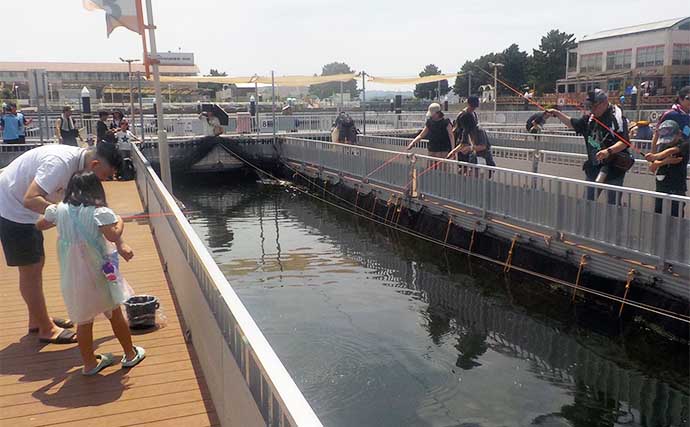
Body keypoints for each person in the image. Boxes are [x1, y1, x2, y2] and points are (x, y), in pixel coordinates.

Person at [0, 143, 122, 345]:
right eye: (105, 175)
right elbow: (30, 199)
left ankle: (37, 319)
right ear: (94, 164)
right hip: (11, 209)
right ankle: (46, 329)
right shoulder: (59, 164)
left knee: (37, 262)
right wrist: (67, 214)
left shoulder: (77, 166)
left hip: (26, 213)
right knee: (30, 269)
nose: (104, 181)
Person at [36, 171, 145, 375]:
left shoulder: (58, 210)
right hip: (97, 270)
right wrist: (119, 220)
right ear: (96, 189)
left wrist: (58, 218)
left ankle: (89, 364)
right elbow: (112, 235)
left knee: (83, 318)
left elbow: (40, 225)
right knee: (114, 312)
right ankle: (130, 354)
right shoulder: (98, 212)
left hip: (73, 273)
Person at [548, 89, 633, 203]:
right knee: (587, 202)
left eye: (594, 106)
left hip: (614, 168)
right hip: (594, 167)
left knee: (613, 205)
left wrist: (608, 151)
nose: (591, 110)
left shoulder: (616, 117)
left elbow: (624, 142)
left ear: (604, 103)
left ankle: (614, 219)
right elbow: (573, 124)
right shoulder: (590, 119)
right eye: (589, 107)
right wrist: (557, 113)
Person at [645, 120, 688, 217]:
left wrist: (657, 159)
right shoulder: (663, 145)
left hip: (677, 186)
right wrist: (655, 138)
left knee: (676, 216)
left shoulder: (684, 144)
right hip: (661, 185)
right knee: (658, 214)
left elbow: (673, 153)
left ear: (679, 134)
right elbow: (653, 164)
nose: (669, 142)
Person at [651, 86, 690, 154]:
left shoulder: (688, 116)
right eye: (688, 98)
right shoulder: (670, 114)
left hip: (683, 154)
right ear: (680, 99)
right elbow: (656, 134)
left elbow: (686, 134)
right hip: (666, 154)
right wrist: (653, 156)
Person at [451, 96, 480, 163]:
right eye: (472, 106)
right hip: (462, 142)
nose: (473, 108)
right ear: (468, 104)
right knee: (463, 165)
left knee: (472, 164)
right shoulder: (462, 115)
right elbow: (456, 129)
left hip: (472, 142)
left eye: (475, 107)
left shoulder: (474, 114)